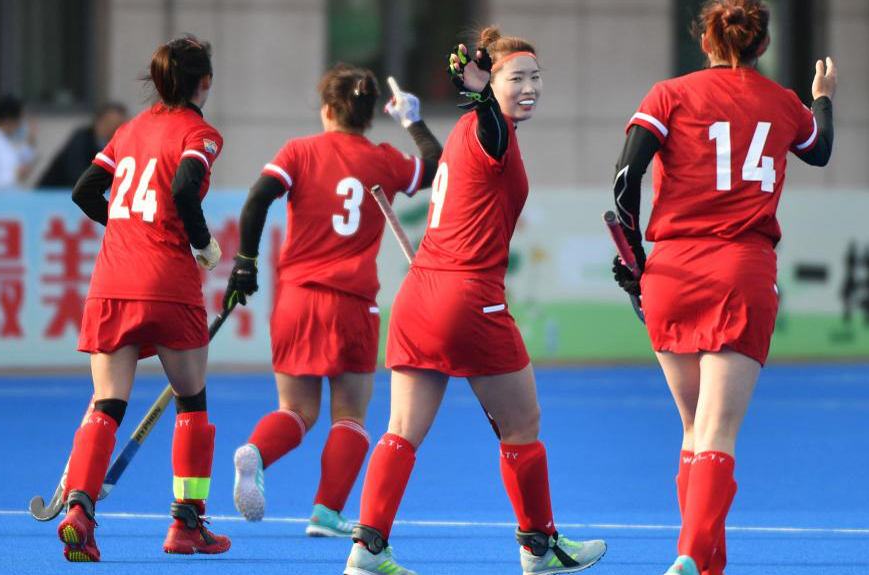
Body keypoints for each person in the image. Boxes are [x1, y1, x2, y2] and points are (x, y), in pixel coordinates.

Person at [342, 27, 607, 575]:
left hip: (419, 297)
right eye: (517, 78)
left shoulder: (468, 131)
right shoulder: (491, 128)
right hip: (468, 300)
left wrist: (415, 122)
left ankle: (367, 547)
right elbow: (491, 125)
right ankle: (539, 546)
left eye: (535, 77)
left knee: (401, 429)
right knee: (522, 425)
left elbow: (453, 155)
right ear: (492, 84)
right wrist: (480, 94)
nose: (529, 87)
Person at [609, 2, 836, 574]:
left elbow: (626, 177)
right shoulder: (783, 102)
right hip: (740, 270)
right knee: (718, 431)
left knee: (692, 428)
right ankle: (689, 556)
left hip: (671, 271)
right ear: (763, 45)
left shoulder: (668, 95)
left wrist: (634, 256)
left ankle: (707, 565)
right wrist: (822, 98)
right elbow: (820, 151)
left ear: (705, 42)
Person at [222, 64, 441, 538]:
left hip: (297, 299)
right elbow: (437, 165)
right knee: (350, 416)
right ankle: (325, 512)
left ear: (326, 110)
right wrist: (412, 120)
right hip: (352, 303)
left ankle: (257, 452)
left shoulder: (299, 151)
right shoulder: (385, 160)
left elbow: (257, 199)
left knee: (296, 411)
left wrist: (245, 262)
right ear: (368, 115)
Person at [56, 35, 230, 562]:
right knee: (192, 401)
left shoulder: (127, 131)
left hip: (112, 283)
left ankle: (80, 511)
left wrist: (125, 227)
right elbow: (183, 188)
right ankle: (186, 524)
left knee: (107, 403)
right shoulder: (201, 133)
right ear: (204, 82)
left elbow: (85, 190)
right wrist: (202, 242)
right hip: (168, 284)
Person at [37, 103, 128, 189]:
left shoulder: (118, 147)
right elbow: (77, 175)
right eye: (113, 125)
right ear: (99, 122)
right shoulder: (81, 139)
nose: (117, 130)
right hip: (53, 193)